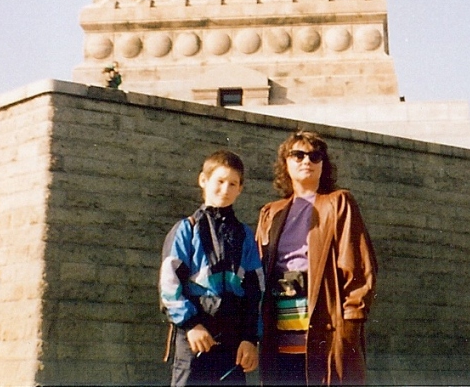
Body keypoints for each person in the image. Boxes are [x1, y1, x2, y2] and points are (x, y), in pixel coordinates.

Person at [256, 132, 377, 386]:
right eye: (298, 155)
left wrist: (349, 329)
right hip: (281, 338)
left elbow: (359, 268)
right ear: (285, 162)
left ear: (323, 164)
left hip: (326, 338)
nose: (306, 161)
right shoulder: (271, 212)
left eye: (315, 156)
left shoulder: (338, 203)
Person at [159, 150, 264, 386]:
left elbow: (255, 290)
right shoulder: (187, 229)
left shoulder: (245, 235)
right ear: (203, 180)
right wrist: (190, 324)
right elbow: (169, 285)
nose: (225, 189)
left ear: (240, 189)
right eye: (220, 181)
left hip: (233, 342)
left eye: (233, 183)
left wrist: (250, 338)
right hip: (195, 337)